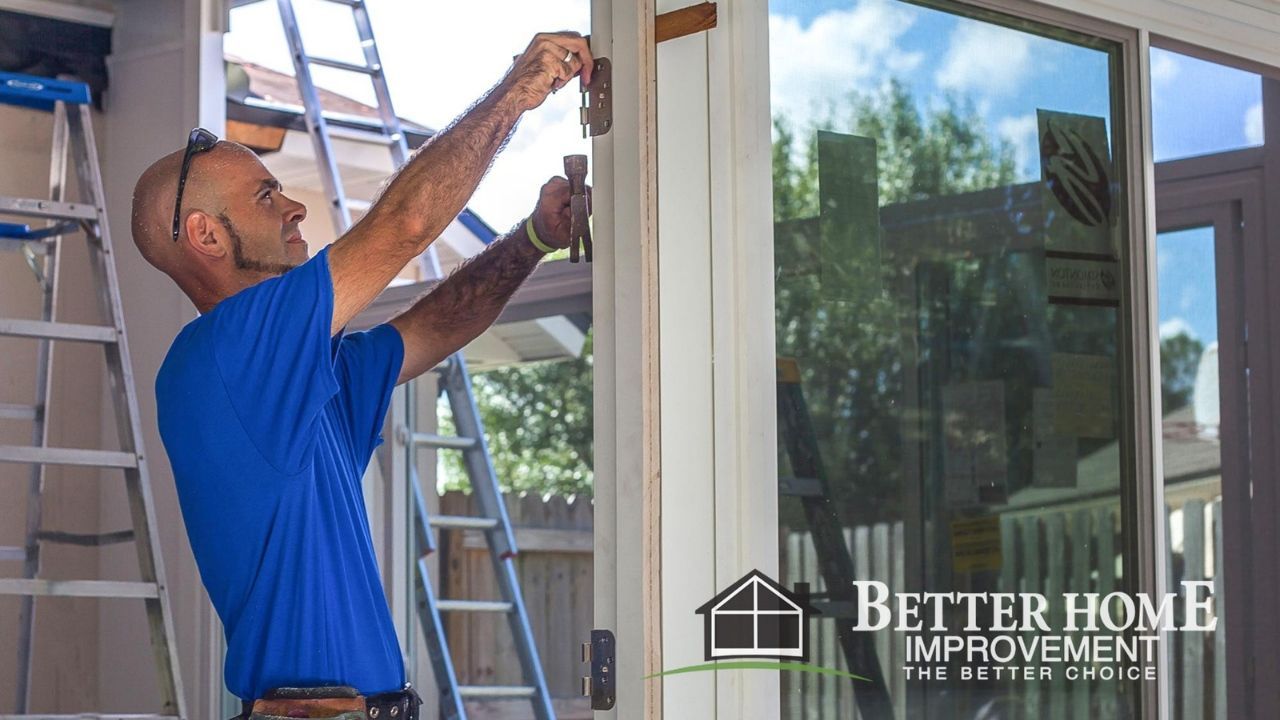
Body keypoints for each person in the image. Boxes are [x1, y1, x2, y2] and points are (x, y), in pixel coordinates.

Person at [128, 31, 593, 720]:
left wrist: (534, 238)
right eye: (265, 197)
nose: (294, 209)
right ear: (207, 236)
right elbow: (404, 225)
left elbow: (437, 324)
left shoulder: (295, 372)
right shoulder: (224, 355)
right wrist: (516, 91)